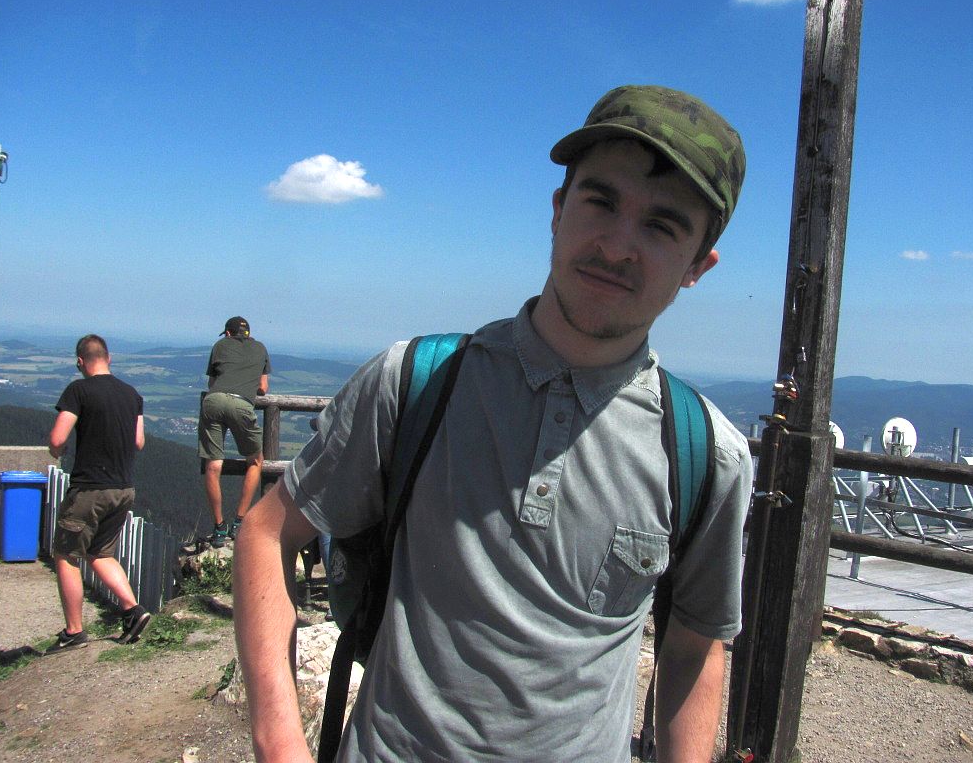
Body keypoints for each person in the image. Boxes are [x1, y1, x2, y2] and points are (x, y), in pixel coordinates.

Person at [234, 85, 753, 762]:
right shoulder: (415, 382)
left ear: (697, 267)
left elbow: (695, 647)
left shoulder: (706, 456)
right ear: (558, 210)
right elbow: (269, 532)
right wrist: (279, 744)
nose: (618, 245)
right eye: (600, 201)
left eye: (662, 226)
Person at [47, 334, 151, 651]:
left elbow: (57, 439)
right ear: (109, 358)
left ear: (80, 362)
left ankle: (74, 631)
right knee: (100, 554)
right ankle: (133, 611)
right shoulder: (132, 394)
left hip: (89, 489)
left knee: (66, 555)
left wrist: (58, 451)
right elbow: (138, 442)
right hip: (123, 489)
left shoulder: (78, 390)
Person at [199, 316, 271, 547]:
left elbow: (212, 383)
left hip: (213, 401)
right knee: (255, 461)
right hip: (242, 404)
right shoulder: (260, 348)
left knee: (213, 465)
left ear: (228, 333)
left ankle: (219, 527)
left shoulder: (220, 345)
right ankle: (239, 522)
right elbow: (263, 387)